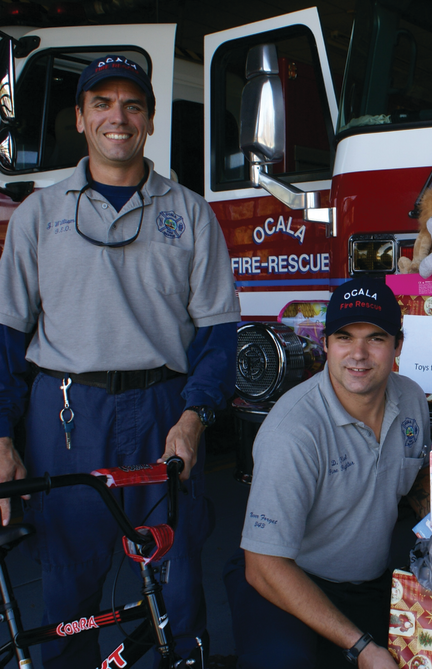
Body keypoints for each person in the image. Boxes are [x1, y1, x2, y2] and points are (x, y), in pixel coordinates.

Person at [0, 55, 240, 667]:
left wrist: (195, 418)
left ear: (151, 120)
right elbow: (5, 337)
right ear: (79, 118)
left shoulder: (189, 213)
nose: (117, 117)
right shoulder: (37, 215)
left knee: (177, 578)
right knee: (68, 579)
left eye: (132, 104)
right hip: (68, 414)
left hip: (164, 410)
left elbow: (217, 333)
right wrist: (1, 434)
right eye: (101, 103)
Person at [227, 277, 430, 669]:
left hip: (367, 585)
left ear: (398, 346)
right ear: (325, 344)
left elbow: (418, 483)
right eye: (343, 337)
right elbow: (262, 566)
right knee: (284, 662)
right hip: (285, 580)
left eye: (375, 338)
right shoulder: (293, 431)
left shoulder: (411, 400)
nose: (358, 354)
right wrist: (362, 648)